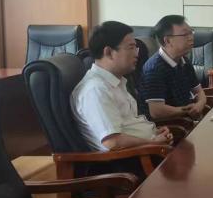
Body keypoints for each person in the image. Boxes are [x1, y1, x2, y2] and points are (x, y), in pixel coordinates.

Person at [71, 21, 173, 153]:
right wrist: (152, 143)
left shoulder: (116, 82)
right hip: (133, 159)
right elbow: (113, 142)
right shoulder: (96, 90)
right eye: (131, 48)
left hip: (147, 151)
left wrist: (154, 132)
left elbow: (128, 126)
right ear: (109, 52)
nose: (137, 53)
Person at [139, 15, 209, 121]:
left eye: (191, 32)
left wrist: (200, 104)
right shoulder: (154, 69)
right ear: (167, 41)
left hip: (187, 119)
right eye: (185, 34)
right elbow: (156, 112)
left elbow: (199, 91)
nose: (191, 37)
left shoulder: (183, 60)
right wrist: (187, 110)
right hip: (170, 126)